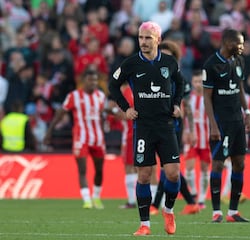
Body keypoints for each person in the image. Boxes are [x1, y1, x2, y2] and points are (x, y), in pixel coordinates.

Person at [108, 21, 184, 236]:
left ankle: (168, 211)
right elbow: (113, 85)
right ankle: (145, 225)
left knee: (173, 174)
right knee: (144, 175)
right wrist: (125, 108)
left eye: (148, 38)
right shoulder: (131, 63)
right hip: (143, 126)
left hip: (165, 125)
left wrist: (177, 104)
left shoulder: (169, 62)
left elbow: (181, 83)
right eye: (140, 38)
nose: (143, 42)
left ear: (158, 39)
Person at [202, 29, 250, 223]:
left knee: (240, 163)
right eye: (238, 43)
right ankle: (216, 212)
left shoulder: (239, 61)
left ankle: (233, 212)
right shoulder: (211, 64)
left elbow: (239, 87)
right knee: (219, 163)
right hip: (221, 123)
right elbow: (207, 97)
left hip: (237, 122)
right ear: (226, 43)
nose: (241, 47)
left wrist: (246, 112)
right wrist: (213, 125)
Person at [149, 40, 200, 216]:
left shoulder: (180, 79)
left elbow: (187, 107)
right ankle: (190, 202)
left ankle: (156, 205)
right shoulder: (152, 76)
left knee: (168, 168)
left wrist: (190, 129)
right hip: (156, 126)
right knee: (168, 168)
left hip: (174, 129)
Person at [44, 69, 107, 209]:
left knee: (99, 170)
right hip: (81, 138)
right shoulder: (74, 96)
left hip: (98, 139)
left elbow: (103, 114)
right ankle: (86, 200)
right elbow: (61, 113)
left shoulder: (101, 96)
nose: (93, 83)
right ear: (83, 81)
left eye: (95, 80)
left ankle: (96, 197)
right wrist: (49, 132)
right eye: (91, 80)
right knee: (82, 169)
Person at [183, 69, 211, 210]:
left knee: (205, 169)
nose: (198, 84)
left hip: (206, 138)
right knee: (189, 167)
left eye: (201, 81)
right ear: (192, 83)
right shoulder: (189, 99)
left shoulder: (210, 98)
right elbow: (184, 116)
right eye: (196, 81)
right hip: (192, 138)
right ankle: (193, 192)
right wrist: (185, 132)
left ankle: (201, 199)